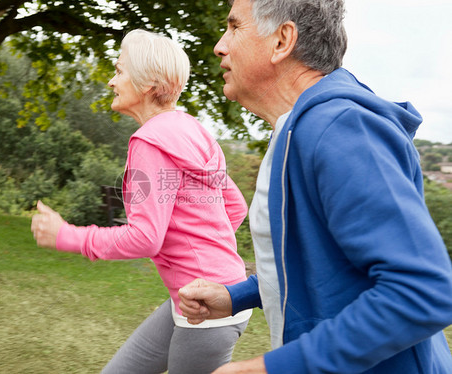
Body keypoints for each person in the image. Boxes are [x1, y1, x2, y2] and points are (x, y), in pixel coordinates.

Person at [178, 0, 452, 373]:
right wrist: (235, 295)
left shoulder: (339, 127)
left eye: (234, 27)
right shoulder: (295, 129)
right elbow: (326, 263)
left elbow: (421, 291)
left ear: (282, 40)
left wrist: (272, 368)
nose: (219, 45)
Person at [30, 29, 252, 374]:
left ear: (148, 84)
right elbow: (235, 206)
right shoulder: (195, 131)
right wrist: (200, 253)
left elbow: (145, 237)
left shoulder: (149, 142)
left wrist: (67, 235)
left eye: (119, 71)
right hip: (206, 291)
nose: (111, 81)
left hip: (204, 306)